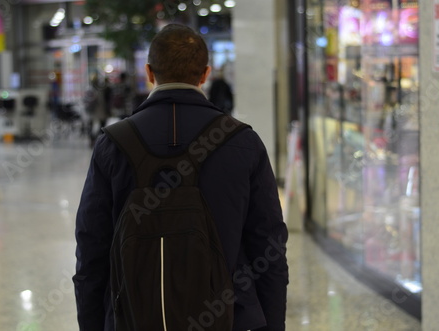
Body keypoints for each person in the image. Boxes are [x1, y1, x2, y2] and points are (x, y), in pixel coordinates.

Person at [73, 24, 289, 331]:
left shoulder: (114, 144)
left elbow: (91, 253)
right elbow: (269, 250)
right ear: (205, 74)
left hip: (131, 318)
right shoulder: (243, 142)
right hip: (228, 319)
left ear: (149, 72)